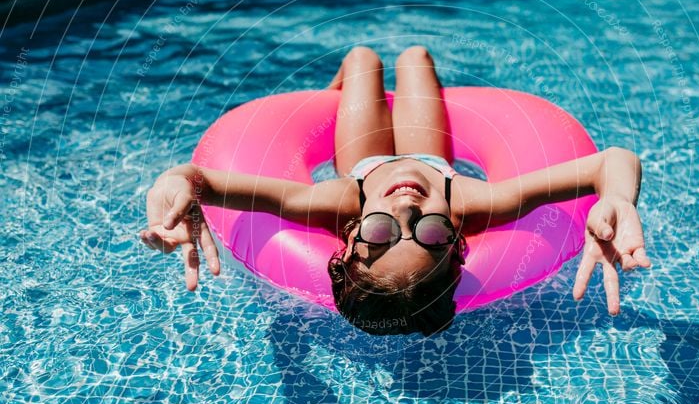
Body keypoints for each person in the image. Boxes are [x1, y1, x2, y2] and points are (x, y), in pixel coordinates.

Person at [140, 46, 651, 335]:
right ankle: (356, 95)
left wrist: (174, 185)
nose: (407, 207)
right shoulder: (472, 204)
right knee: (415, 58)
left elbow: (200, 181)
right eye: (428, 232)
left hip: (361, 159)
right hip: (432, 154)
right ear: (456, 240)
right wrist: (618, 197)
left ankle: (337, 89)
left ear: (350, 237)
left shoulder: (337, 204)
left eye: (382, 232)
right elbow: (614, 160)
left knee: (364, 59)